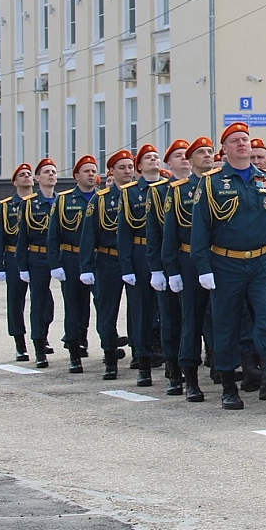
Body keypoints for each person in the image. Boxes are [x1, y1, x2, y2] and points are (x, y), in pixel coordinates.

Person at [189, 122, 266, 409]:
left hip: (262, 261)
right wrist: (203, 267)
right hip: (225, 262)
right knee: (227, 324)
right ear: (225, 149)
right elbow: (200, 230)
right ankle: (229, 387)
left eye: (245, 139)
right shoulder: (211, 182)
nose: (242, 144)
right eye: (235, 141)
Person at [162, 136, 217, 402]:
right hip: (189, 262)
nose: (207, 156)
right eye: (201, 153)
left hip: (220, 260)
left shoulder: (221, 185)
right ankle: (190, 379)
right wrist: (171, 269)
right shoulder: (179, 190)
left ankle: (222, 367)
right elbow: (169, 234)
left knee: (222, 318)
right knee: (191, 321)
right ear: (190, 159)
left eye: (210, 152)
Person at [80, 151, 136, 380]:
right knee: (107, 309)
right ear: (111, 172)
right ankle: (110, 356)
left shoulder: (141, 195)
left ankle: (140, 354)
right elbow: (88, 236)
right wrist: (85, 266)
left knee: (138, 310)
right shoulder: (101, 199)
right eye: (121, 167)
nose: (127, 171)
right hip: (108, 259)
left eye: (130, 167)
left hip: (134, 260)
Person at [118, 144, 167, 388]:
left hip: (166, 252)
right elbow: (124, 232)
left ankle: (168, 356)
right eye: (148, 158)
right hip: (140, 252)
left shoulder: (170, 188)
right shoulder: (130, 193)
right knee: (142, 310)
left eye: (156, 157)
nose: (153, 160)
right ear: (139, 166)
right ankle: (143, 358)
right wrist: (126, 266)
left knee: (168, 310)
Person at [47, 157, 101, 374]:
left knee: (102, 304)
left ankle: (102, 343)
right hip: (72, 258)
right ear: (76, 175)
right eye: (86, 171)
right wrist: (55, 264)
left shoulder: (102, 198)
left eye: (93, 171)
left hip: (99, 259)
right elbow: (53, 235)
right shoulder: (64, 200)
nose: (90, 174)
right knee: (74, 306)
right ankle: (73, 351)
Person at [147, 141, 190, 394]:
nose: (184, 159)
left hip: (197, 262)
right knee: (171, 320)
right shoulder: (159, 192)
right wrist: (157, 269)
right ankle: (173, 369)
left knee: (199, 320)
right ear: (168, 164)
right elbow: (154, 234)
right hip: (170, 261)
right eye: (178, 156)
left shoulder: (203, 186)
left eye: (187, 155)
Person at [15, 160, 59, 368]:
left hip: (59, 256)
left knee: (54, 305)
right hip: (37, 256)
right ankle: (39, 347)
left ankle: (65, 338)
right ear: (37, 178)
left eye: (53, 172)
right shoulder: (29, 203)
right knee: (39, 303)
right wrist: (22, 266)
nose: (51, 175)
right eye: (46, 172)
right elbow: (22, 237)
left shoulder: (62, 201)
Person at [0, 163, 36, 362]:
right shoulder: (6, 206)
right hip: (13, 258)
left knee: (44, 301)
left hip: (36, 255)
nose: (27, 177)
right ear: (15, 182)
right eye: (22, 174)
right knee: (16, 301)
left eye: (29, 174)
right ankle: (20, 343)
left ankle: (41, 337)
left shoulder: (40, 202)